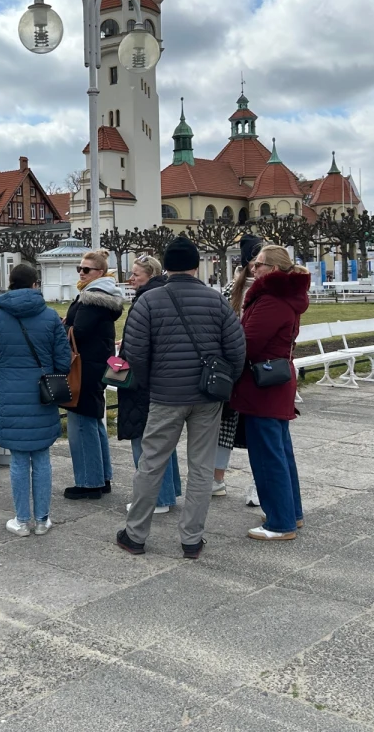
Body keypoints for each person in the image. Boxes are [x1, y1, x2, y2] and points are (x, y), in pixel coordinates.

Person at [119, 236, 245, 558]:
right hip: (207, 396)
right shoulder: (216, 300)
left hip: (165, 395)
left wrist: (152, 383)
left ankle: (135, 534)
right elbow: (236, 349)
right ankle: (192, 538)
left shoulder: (148, 301)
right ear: (195, 266)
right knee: (201, 467)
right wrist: (224, 382)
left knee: (151, 464)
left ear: (166, 267)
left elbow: (134, 353)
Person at [0, 264, 71, 536]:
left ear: (10, 283)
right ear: (34, 284)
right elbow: (63, 361)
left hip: (9, 393)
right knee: (42, 457)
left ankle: (21, 520)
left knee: (19, 459)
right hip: (43, 393)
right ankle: (42, 520)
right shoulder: (50, 316)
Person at [230, 244, 310, 541]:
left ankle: (280, 523)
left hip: (262, 385)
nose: (253, 268)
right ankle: (290, 512)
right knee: (280, 452)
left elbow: (248, 344)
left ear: (274, 269)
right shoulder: (285, 296)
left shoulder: (271, 300)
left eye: (259, 264)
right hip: (275, 381)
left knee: (267, 457)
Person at [116, 254, 180, 515]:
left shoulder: (145, 299)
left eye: (136, 274)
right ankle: (169, 492)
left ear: (150, 275)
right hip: (163, 377)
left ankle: (156, 499)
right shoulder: (165, 294)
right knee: (163, 441)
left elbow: (139, 346)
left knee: (143, 442)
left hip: (142, 380)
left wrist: (124, 362)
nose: (131, 278)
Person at [63, 249, 123, 499]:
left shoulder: (91, 297)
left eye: (86, 269)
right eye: (79, 268)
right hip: (98, 364)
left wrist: (62, 325)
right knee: (94, 422)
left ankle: (90, 482)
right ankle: (102, 477)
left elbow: (79, 331)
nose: (81, 272)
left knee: (82, 424)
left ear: (100, 272)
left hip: (85, 367)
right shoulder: (105, 295)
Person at [216, 235, 262, 505]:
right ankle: (216, 479)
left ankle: (259, 484)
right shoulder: (232, 288)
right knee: (224, 425)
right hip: (234, 367)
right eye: (255, 261)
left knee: (259, 429)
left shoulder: (271, 290)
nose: (258, 267)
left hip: (259, 368)